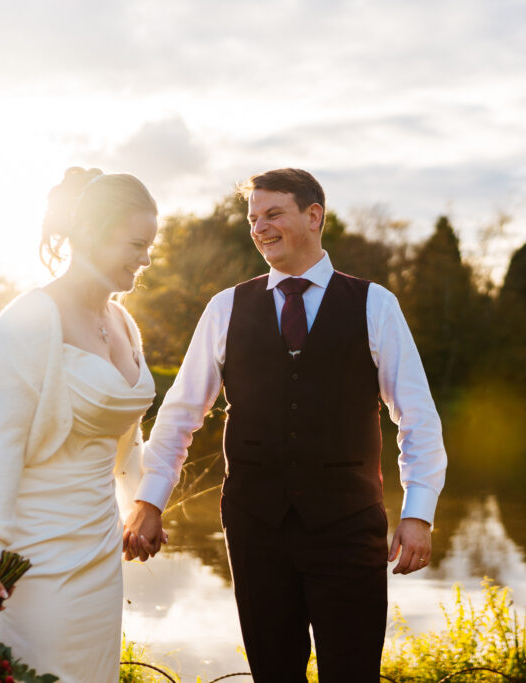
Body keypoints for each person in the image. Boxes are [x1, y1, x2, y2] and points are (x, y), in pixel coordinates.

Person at [124, 168, 448, 681]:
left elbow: (417, 417)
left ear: (313, 215)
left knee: (353, 673)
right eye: (253, 218)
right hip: (256, 529)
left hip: (348, 528)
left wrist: (418, 512)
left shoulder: (375, 305)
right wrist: (149, 502)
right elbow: (182, 412)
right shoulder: (225, 307)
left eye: (273, 213)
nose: (259, 227)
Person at [0, 167, 159, 682]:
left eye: (150, 245)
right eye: (136, 243)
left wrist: (144, 502)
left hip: (99, 548)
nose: (147, 258)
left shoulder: (123, 322)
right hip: (35, 552)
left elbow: (127, 436)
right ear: (91, 234)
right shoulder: (26, 321)